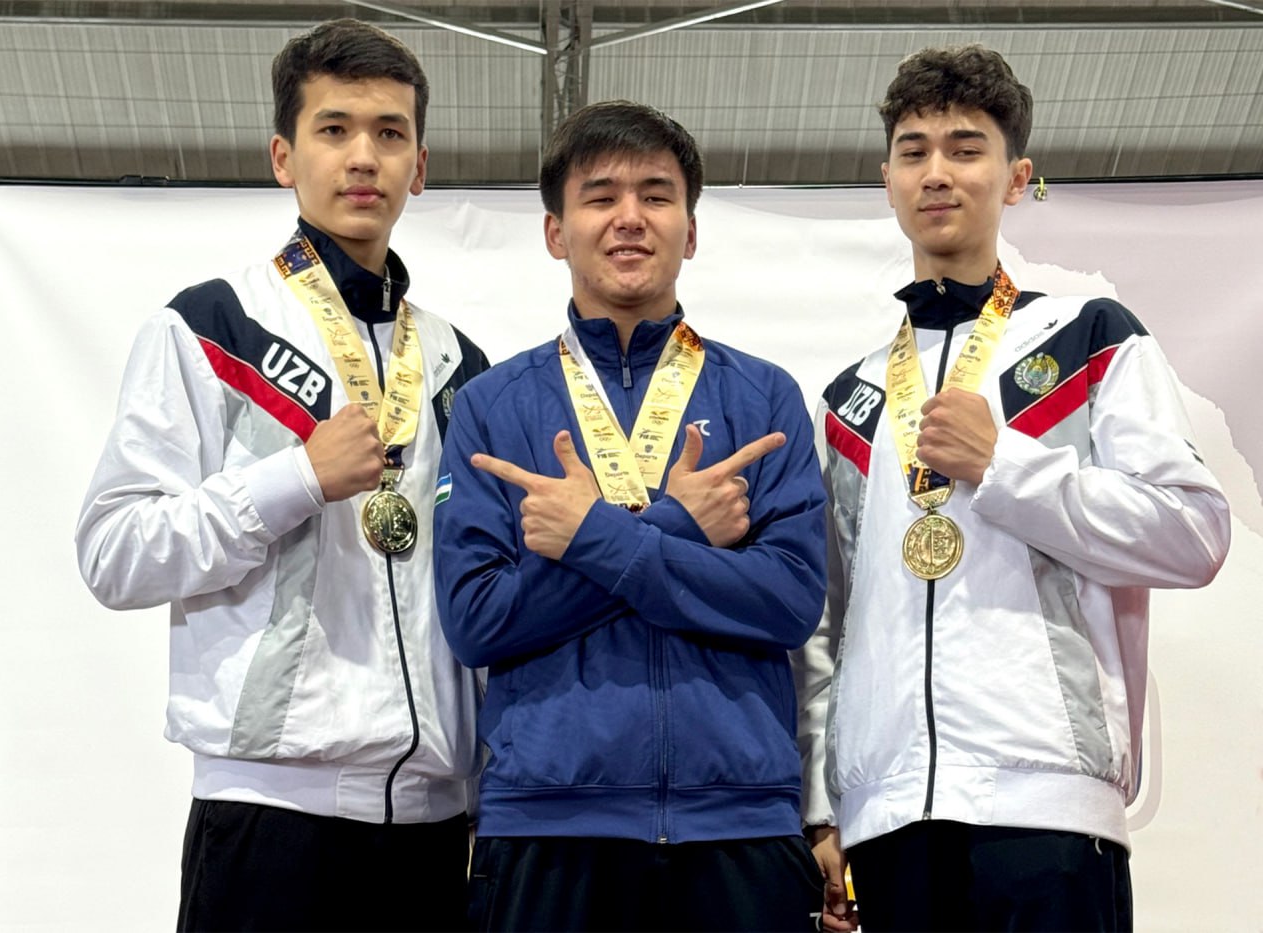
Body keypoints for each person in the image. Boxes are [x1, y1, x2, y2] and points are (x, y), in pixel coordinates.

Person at [795, 44, 1232, 932]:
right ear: (887, 181)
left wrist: (1005, 467)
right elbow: (825, 620)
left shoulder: (1090, 338)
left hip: (1048, 809)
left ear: (1018, 177)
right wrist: (823, 805)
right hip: (888, 820)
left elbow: (1193, 532)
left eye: (966, 148)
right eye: (914, 151)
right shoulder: (849, 400)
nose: (938, 172)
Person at [75, 19, 488, 931]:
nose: (363, 157)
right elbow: (113, 552)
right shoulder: (210, 327)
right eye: (333, 129)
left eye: (389, 133)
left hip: (436, 830)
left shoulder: (461, 362)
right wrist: (294, 478)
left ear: (420, 166)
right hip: (268, 820)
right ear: (282, 157)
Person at [432, 100, 828, 931]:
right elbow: (476, 622)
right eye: (600, 195)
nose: (629, 217)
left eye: (656, 194)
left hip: (740, 823)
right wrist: (679, 527)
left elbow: (790, 601)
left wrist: (591, 539)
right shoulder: (490, 406)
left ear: (691, 230)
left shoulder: (765, 397)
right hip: (546, 822)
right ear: (556, 231)